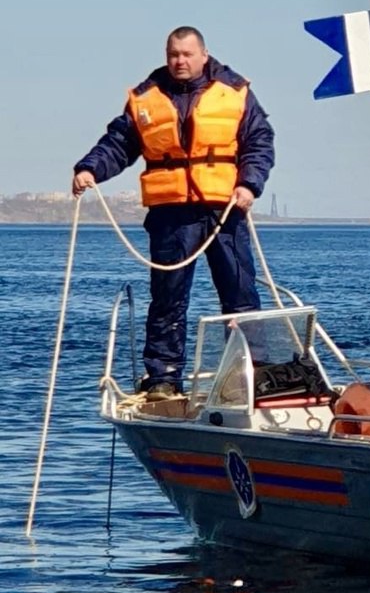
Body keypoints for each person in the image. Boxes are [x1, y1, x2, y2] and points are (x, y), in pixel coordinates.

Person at [72, 26, 275, 401]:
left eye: (186, 54)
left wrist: (250, 184)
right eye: (173, 55)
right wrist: (89, 169)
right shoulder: (147, 99)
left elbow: (259, 141)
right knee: (167, 298)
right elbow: (119, 144)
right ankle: (163, 379)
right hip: (171, 216)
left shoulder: (235, 94)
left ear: (203, 55)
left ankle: (251, 373)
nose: (179, 61)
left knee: (240, 295)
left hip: (223, 210)